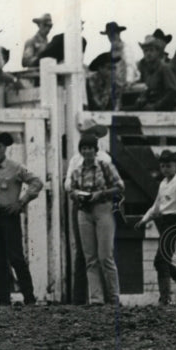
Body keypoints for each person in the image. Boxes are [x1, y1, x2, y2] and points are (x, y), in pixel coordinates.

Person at [0, 132, 43, 306]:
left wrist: (21, 202)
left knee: (16, 258)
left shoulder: (17, 167)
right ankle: (3, 300)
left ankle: (29, 298)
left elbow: (36, 182)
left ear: (5, 148)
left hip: (8, 216)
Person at [67, 135, 124, 306]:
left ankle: (114, 297)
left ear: (95, 150)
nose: (87, 151)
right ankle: (96, 298)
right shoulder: (77, 171)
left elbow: (119, 187)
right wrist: (77, 196)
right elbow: (71, 191)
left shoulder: (105, 167)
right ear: (81, 151)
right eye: (84, 148)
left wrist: (102, 194)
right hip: (84, 211)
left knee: (105, 255)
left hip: (103, 209)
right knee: (90, 257)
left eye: (90, 148)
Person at [135, 150, 176, 304]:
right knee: (163, 261)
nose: (165, 169)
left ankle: (165, 298)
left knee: (161, 261)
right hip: (163, 224)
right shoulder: (163, 183)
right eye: (162, 166)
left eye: (168, 166)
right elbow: (156, 206)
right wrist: (144, 220)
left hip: (174, 225)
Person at [63, 120, 113, 304]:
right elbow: (68, 183)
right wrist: (78, 190)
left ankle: (106, 297)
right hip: (82, 203)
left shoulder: (105, 159)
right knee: (83, 251)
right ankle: (80, 297)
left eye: (95, 137)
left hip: (100, 203)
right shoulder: (76, 160)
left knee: (103, 251)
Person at [134, 34, 176, 111]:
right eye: (146, 51)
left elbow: (173, 92)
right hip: (148, 106)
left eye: (151, 50)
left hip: (163, 109)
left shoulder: (164, 68)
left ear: (157, 52)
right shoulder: (142, 68)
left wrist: (156, 106)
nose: (148, 53)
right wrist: (141, 98)